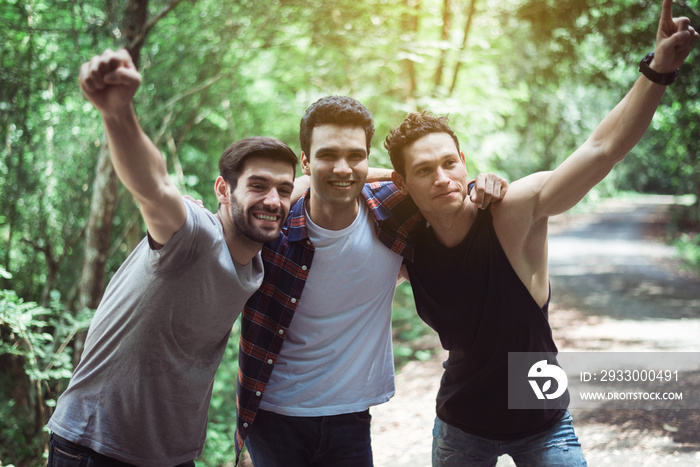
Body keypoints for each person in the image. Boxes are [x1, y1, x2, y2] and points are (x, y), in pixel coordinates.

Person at [382, 1, 698, 465]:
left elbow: (601, 149)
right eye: (424, 170)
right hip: (459, 425)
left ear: (464, 161)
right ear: (403, 185)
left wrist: (658, 71)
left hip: (542, 423)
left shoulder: (512, 210)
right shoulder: (406, 245)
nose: (442, 177)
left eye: (450, 163)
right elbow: (322, 192)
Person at [46, 49, 298, 466]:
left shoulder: (256, 259)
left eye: (283, 190)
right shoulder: (194, 235)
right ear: (223, 190)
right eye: (258, 185)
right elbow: (153, 185)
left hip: (171, 457)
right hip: (95, 447)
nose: (273, 200)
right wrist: (117, 113)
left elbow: (316, 182)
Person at [234, 96, 507, 466]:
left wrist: (482, 182)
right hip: (273, 414)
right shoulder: (270, 228)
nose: (343, 169)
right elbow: (222, 222)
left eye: (355, 156)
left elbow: (435, 183)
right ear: (305, 161)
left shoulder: (393, 210)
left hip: (350, 414)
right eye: (327, 155)